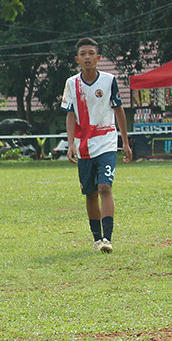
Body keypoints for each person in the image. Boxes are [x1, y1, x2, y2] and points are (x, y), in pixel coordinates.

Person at [62, 37, 133, 253]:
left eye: (91, 53)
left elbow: (119, 109)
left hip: (107, 142)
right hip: (84, 145)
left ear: (98, 57)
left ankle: (107, 238)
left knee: (105, 187)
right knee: (90, 192)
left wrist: (125, 142)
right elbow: (70, 114)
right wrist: (71, 143)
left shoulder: (109, 80)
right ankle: (96, 239)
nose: (87, 57)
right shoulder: (71, 83)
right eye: (83, 54)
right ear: (77, 59)